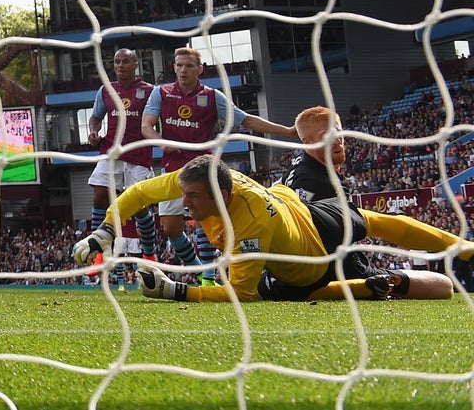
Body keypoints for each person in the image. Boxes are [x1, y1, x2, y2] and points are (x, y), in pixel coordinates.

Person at [72, 153, 474, 301]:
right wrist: (105, 231)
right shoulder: (196, 178)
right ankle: (466, 249)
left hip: (308, 264)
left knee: (321, 290)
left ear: (222, 196)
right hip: (308, 209)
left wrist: (179, 292)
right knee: (381, 221)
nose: (184, 202)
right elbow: (139, 192)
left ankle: (409, 277)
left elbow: (242, 294)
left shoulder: (249, 224)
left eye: (193, 198)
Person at [140, 47, 294, 275]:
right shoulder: (161, 93)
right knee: (170, 228)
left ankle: (209, 276)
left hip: (202, 168)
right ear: (174, 67)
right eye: (179, 65)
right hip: (172, 168)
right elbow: (146, 125)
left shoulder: (212, 97)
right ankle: (199, 268)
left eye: (189, 65)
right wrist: (161, 142)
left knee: (205, 221)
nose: (183, 70)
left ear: (199, 69)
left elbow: (247, 120)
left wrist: (287, 131)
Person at [86, 48, 159, 283]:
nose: (120, 66)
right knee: (99, 195)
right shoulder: (106, 90)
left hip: (139, 155)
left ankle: (149, 251)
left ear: (136, 64)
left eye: (125, 61)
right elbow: (95, 116)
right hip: (111, 151)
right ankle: (98, 252)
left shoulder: (150, 92)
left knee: (138, 208)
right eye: (117, 61)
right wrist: (94, 130)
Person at [283, 105, 343, 204]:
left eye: (339, 133)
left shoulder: (301, 161)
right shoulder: (314, 184)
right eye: (326, 135)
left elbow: (281, 182)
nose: (337, 140)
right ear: (307, 142)